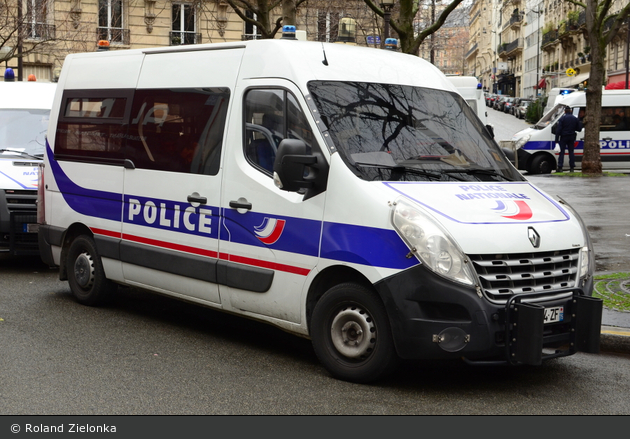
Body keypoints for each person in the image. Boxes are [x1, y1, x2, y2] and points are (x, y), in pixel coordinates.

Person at [554, 106, 583, 172]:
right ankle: (572, 167)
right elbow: (579, 129)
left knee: (561, 152)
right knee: (571, 152)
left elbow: (558, 130)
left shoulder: (562, 119)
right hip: (572, 137)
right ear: (571, 111)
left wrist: (556, 140)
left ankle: (560, 167)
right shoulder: (575, 119)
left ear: (564, 111)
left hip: (564, 137)